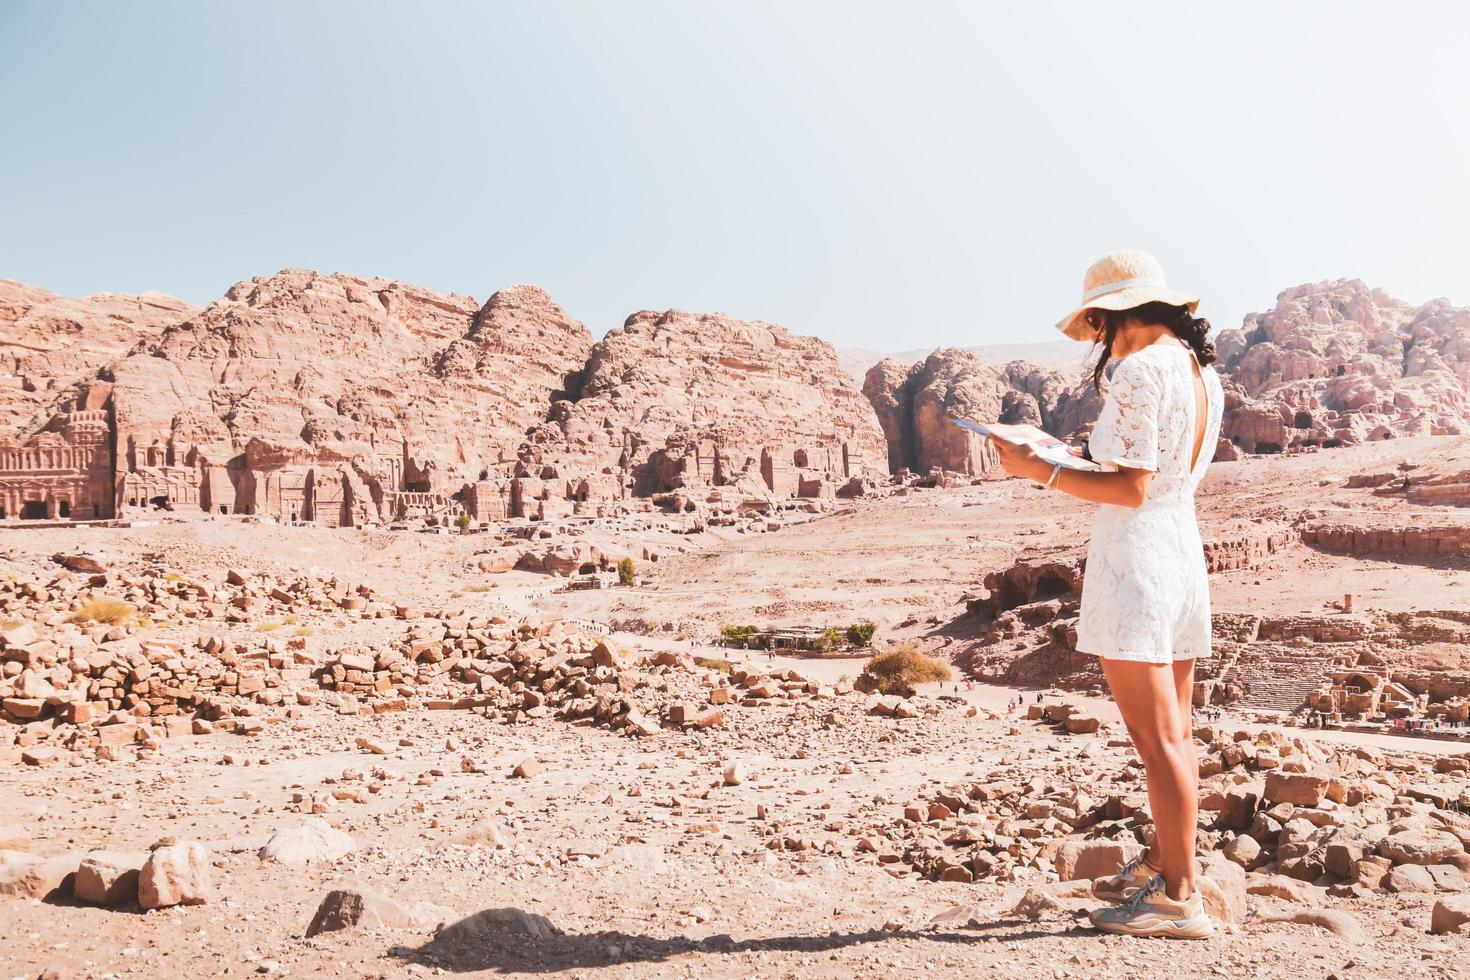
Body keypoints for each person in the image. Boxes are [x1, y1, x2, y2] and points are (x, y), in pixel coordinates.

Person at [990, 250, 1223, 940]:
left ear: (1105, 314)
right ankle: (1168, 866)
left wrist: (1039, 471)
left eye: (1093, 322)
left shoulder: (1141, 369)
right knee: (1177, 736)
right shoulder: (1197, 370)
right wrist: (1069, 457)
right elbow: (1153, 470)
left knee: (1156, 744)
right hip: (1181, 554)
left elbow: (1130, 488)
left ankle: (1179, 900)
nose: (1094, 337)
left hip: (1137, 564)